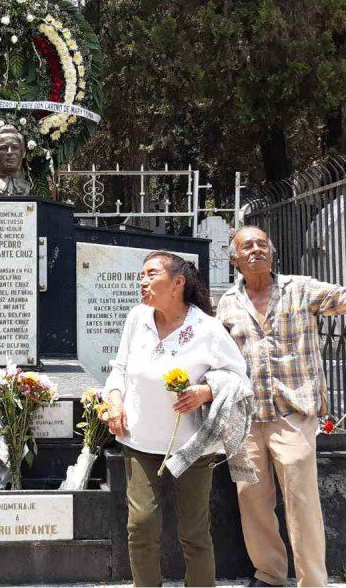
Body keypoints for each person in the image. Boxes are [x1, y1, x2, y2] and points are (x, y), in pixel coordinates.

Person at [102, 251, 252, 587]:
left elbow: (239, 378)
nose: (142, 281)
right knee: (141, 525)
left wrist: (205, 391)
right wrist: (114, 399)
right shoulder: (137, 318)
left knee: (194, 532)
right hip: (139, 439)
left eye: (151, 274)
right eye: (141, 275)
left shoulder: (207, 328)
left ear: (178, 283)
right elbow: (121, 368)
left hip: (193, 447)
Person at [217, 226, 346, 587]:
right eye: (247, 246)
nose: (256, 250)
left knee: (302, 501)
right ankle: (269, 573)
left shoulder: (300, 288)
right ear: (234, 259)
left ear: (272, 253)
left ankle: (313, 580)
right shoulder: (227, 302)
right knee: (252, 499)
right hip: (244, 417)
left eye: (262, 244)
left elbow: (341, 298)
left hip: (293, 412)